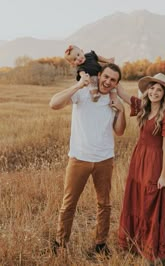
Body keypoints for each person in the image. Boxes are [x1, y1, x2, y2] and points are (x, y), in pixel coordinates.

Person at [49, 63, 126, 257]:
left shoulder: (113, 100)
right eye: (106, 77)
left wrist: (121, 111)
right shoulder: (82, 93)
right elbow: (54, 104)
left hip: (104, 160)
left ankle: (100, 243)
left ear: (116, 83)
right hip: (79, 158)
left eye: (113, 80)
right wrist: (77, 86)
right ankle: (60, 243)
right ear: (99, 75)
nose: (108, 82)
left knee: (105, 204)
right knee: (69, 203)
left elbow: (119, 131)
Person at [117, 73, 165, 265]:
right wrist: (105, 75)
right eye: (152, 88)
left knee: (150, 203)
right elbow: (124, 95)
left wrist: (163, 176)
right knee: (136, 199)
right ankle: (138, 243)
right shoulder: (145, 107)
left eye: (159, 90)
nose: (154, 92)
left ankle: (151, 252)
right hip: (139, 159)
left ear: (164, 94)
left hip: (154, 163)